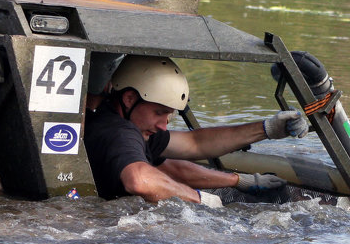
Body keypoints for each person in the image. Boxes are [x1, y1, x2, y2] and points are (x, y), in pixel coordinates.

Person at [84, 55, 309, 206]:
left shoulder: (125, 124)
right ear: (129, 98)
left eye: (169, 115)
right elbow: (140, 180)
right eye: (159, 112)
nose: (163, 125)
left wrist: (267, 129)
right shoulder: (119, 132)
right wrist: (199, 199)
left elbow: (195, 144)